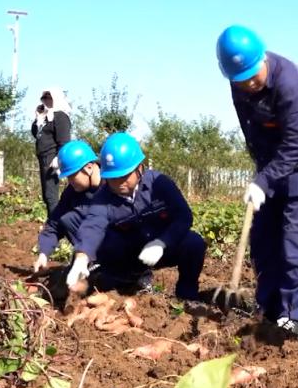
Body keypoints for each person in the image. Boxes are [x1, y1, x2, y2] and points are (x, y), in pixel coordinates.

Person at [216, 25, 298, 338]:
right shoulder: (238, 83)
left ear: (262, 59)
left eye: (253, 76)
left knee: (297, 238)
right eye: (240, 80)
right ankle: (268, 306)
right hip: (271, 160)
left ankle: (292, 314)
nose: (249, 85)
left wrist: (266, 178)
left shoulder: (289, 82)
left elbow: (296, 143)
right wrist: (261, 174)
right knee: (264, 236)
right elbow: (251, 130)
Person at [65, 133, 206, 300]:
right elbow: (92, 225)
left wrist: (163, 242)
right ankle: (125, 282)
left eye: (123, 176)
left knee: (194, 243)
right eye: (112, 178)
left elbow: (184, 216)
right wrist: (82, 257)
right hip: (130, 253)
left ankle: (186, 295)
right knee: (107, 243)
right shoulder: (103, 197)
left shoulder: (159, 184)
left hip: (161, 248)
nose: (118, 183)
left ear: (139, 168)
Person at [32, 140, 101, 273]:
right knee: (67, 218)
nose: (69, 181)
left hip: (121, 245)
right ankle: (91, 263)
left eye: (72, 176)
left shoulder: (113, 184)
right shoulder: (72, 192)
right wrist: (44, 253)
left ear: (88, 168)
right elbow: (54, 224)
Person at [31, 88, 73, 216]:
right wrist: (38, 118)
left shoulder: (60, 116)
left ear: (56, 99)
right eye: (44, 99)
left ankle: (54, 223)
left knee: (50, 194)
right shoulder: (46, 117)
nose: (46, 101)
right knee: (46, 194)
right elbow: (35, 133)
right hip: (43, 157)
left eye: (49, 98)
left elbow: (64, 140)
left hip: (52, 157)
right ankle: (53, 221)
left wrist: (58, 158)